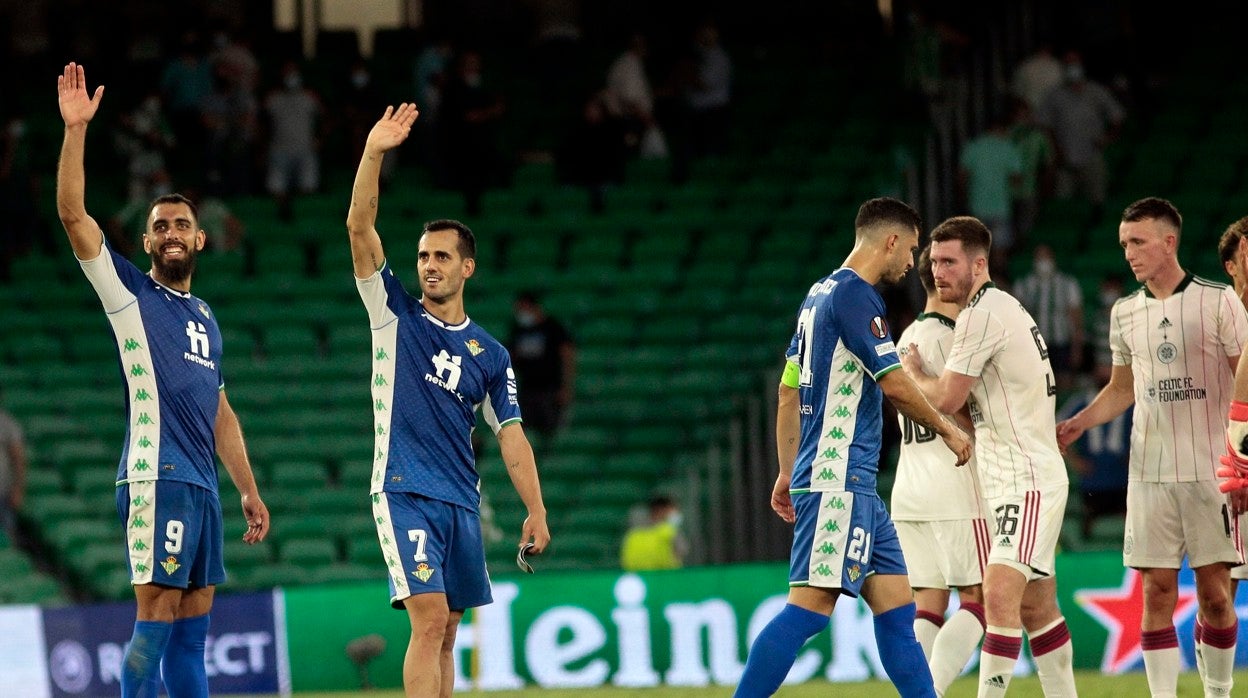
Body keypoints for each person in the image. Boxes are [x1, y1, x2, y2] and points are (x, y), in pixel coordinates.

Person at [55, 62, 270, 698]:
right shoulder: (128, 294)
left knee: (192, 638)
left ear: (201, 239)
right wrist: (76, 131)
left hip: (202, 485)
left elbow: (220, 411)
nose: (171, 233)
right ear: (146, 240)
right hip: (157, 476)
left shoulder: (205, 317)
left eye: (181, 225)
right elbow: (72, 214)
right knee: (154, 623)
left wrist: (248, 488)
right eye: (160, 226)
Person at [346, 103, 550, 698]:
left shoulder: (492, 354)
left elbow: (512, 436)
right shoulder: (393, 314)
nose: (429, 266)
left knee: (449, 631)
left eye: (441, 256)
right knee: (430, 619)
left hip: (461, 498)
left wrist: (535, 509)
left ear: (468, 267)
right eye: (422, 256)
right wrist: (373, 152)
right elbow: (359, 228)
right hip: (404, 488)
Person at [735, 197, 973, 698]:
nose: (912, 262)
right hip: (838, 477)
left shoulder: (817, 296)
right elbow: (894, 383)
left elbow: (787, 389)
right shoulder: (856, 298)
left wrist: (787, 470)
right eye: (911, 249)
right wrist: (948, 429)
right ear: (890, 241)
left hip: (850, 481)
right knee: (809, 610)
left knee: (898, 611)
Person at [1057, 198, 1247, 698]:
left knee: (1215, 597)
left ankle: (1218, 692)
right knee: (1156, 593)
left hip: (1211, 470)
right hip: (1149, 475)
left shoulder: (1218, 301)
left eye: (1138, 242)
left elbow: (1244, 379)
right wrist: (1079, 422)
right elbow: (1122, 388)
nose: (1129, 253)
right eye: (1124, 244)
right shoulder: (1124, 313)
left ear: (1169, 242)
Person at [902, 216, 1076, 697]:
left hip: (1026, 479)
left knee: (996, 595)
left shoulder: (982, 314)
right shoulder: (997, 309)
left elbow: (945, 398)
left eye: (949, 262)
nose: (938, 272)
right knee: (1038, 610)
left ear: (979, 265)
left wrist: (914, 373)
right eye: (935, 262)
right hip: (1009, 477)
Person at [891, 246, 989, 694]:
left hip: (910, 486)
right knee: (979, 600)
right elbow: (966, 414)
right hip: (955, 483)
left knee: (929, 602)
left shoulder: (905, 338)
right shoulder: (954, 339)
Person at [1037, 50, 1125, 217]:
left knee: (1097, 200)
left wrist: (1108, 138)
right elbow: (1044, 124)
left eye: (1075, 63)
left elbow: (1117, 116)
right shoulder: (1054, 95)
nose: (1072, 67)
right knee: (1063, 205)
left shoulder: (1096, 91)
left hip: (1092, 156)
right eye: (1068, 64)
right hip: (1065, 159)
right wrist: (1055, 148)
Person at [1056, 355, 1129, 539]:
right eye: (1101, 366)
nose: (1105, 371)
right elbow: (1058, 427)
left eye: (1109, 366)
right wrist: (1075, 461)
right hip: (1092, 479)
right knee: (1086, 523)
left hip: (1122, 477)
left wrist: (1133, 457)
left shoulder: (1130, 400)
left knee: (1132, 524)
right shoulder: (1080, 402)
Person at [957, 114, 1023, 277]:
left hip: (977, 205)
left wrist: (964, 197)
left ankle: (978, 280)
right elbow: (1016, 179)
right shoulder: (1009, 147)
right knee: (1000, 249)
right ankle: (998, 279)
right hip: (1001, 207)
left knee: (978, 248)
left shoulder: (973, 146)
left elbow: (962, 176)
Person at [506, 290, 576, 442]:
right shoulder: (518, 330)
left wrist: (565, 386)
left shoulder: (553, 328)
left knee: (549, 431)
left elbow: (567, 355)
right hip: (527, 389)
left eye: (523, 308)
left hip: (550, 390)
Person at [1012, 244, 1084, 390]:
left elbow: (1076, 317)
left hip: (1061, 342)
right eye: (1039, 257)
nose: (1043, 261)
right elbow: (1016, 319)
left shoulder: (1068, 284)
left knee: (1064, 381)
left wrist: (1077, 348)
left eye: (1046, 257)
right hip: (1034, 344)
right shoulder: (1023, 285)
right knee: (1036, 385)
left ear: (1053, 259)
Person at [264, 61, 323, 221]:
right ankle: (282, 215)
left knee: (308, 187)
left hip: (305, 150)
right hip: (279, 150)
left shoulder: (310, 97)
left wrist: (320, 138)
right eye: (287, 72)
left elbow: (325, 119)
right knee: (276, 187)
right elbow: (262, 124)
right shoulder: (272, 99)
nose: (290, 76)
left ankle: (302, 219)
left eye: (293, 72)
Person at [620, 495, 685, 571]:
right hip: (664, 575)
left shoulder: (632, 534)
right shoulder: (668, 532)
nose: (675, 513)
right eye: (672, 510)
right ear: (660, 510)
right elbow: (682, 551)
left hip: (637, 575)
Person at [0, 390, 28, 545]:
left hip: (2, 492)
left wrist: (18, 488)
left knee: (7, 535)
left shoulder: (7, 424)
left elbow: (18, 458)